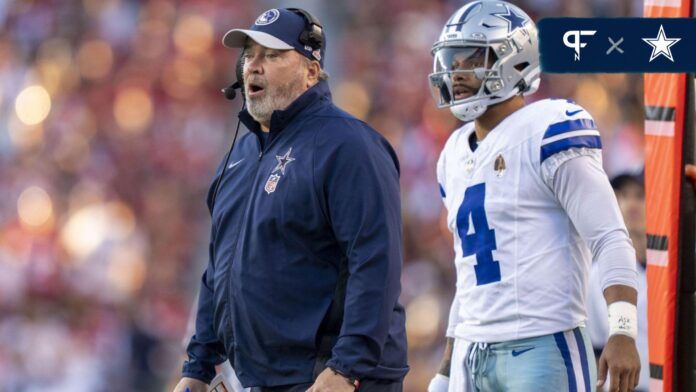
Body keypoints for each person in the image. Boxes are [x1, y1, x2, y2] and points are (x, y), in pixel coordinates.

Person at [173, 8, 408, 392]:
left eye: (273, 54)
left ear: (312, 71)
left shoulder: (348, 146)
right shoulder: (239, 156)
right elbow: (218, 271)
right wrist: (198, 367)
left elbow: (375, 262)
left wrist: (347, 368)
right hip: (267, 381)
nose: (254, 66)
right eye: (250, 54)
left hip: (335, 379)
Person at [425, 2, 640, 392]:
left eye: (470, 57)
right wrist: (445, 365)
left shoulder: (550, 128)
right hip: (471, 351)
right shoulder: (453, 154)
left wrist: (622, 328)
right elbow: (468, 274)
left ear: (515, 60)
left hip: (542, 343)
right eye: (451, 59)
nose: (455, 72)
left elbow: (609, 235)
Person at [586, 173, 649, 391]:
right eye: (622, 196)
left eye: (640, 196)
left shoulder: (679, 270)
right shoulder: (596, 275)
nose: (631, 204)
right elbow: (595, 347)